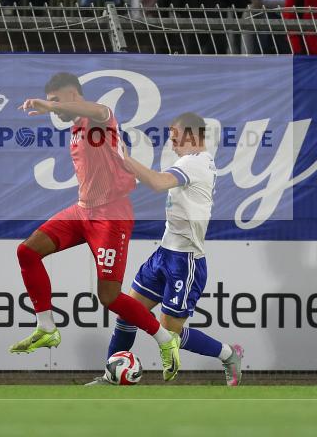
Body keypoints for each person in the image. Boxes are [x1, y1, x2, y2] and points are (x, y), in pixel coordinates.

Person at [10, 72, 183, 382]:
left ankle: (164, 339)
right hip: (82, 211)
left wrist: (51, 107)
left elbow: (99, 110)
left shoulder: (100, 117)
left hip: (111, 214)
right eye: (50, 102)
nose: (54, 107)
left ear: (73, 95)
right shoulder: (76, 127)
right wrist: (55, 107)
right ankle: (46, 327)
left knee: (109, 296)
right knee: (27, 252)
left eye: (56, 100)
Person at [86, 112, 244, 387]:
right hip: (164, 254)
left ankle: (229, 354)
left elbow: (158, 183)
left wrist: (125, 158)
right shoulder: (191, 161)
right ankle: (110, 377)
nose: (172, 143)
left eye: (175, 137)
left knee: (170, 334)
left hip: (185, 261)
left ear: (192, 135)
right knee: (128, 314)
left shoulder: (196, 162)